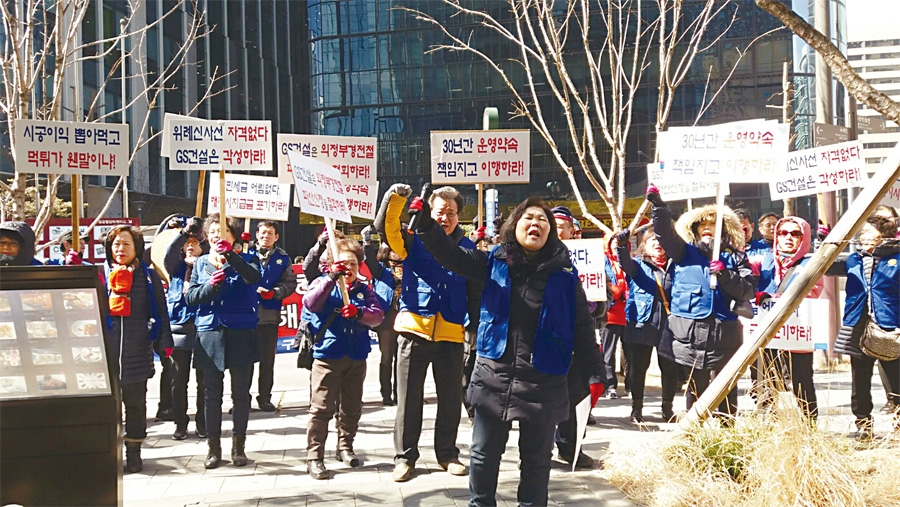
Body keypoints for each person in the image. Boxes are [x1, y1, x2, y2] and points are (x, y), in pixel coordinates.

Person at [410, 195, 606, 506]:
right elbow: (450, 256)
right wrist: (426, 225)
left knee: (537, 461)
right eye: (529, 218)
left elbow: (582, 327)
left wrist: (597, 371)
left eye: (543, 220)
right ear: (514, 226)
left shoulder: (566, 275)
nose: (536, 224)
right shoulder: (492, 262)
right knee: (483, 455)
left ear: (550, 231)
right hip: (494, 377)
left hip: (544, 379)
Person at [375, 184, 482, 483]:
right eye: (439, 212)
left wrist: (474, 329)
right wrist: (396, 199)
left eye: (451, 213)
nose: (445, 218)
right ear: (428, 214)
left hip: (451, 331)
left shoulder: (469, 248)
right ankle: (405, 458)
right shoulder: (412, 240)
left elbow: (475, 291)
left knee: (450, 399)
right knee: (409, 399)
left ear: (459, 216)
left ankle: (447, 454)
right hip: (413, 328)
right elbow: (388, 229)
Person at [646, 185, 756, 416]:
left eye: (712, 225)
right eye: (702, 225)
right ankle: (695, 433)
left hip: (724, 331)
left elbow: (747, 291)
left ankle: (727, 432)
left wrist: (725, 274)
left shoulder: (736, 257)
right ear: (694, 230)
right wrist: (659, 207)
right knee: (695, 387)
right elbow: (664, 233)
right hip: (690, 331)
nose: (707, 228)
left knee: (726, 385)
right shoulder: (683, 252)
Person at [302, 237, 384, 479]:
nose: (348, 268)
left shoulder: (363, 289)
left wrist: (360, 313)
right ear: (330, 264)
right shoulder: (320, 283)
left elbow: (377, 315)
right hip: (328, 356)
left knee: (351, 407)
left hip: (356, 356)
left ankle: (345, 447)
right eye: (342, 263)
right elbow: (311, 303)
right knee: (321, 409)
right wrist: (330, 279)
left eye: (353, 264)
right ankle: (314, 457)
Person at [186, 214, 262, 469]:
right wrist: (209, 286)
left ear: (234, 235)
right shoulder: (200, 264)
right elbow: (192, 297)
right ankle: (213, 447)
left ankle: (239, 447)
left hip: (241, 331)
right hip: (210, 332)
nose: (218, 234)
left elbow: (253, 278)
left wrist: (231, 256)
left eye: (224, 230)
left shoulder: (247, 258)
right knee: (211, 394)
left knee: (241, 394)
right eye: (214, 230)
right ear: (207, 236)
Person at [101, 225, 174, 473]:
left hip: (137, 354)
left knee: (136, 407)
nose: (120, 249)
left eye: (126, 244)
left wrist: (165, 345)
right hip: (105, 357)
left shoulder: (149, 276)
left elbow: (161, 313)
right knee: (108, 409)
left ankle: (134, 453)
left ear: (137, 248)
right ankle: (109, 454)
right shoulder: (100, 275)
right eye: (116, 244)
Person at [828, 216, 900, 438]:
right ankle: (863, 423)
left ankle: (898, 421)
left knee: (895, 377)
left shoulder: (897, 258)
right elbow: (826, 266)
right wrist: (827, 241)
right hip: (857, 325)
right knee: (859, 378)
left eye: (871, 232)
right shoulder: (853, 259)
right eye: (862, 233)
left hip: (889, 324)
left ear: (884, 235)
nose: (864, 237)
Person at [754, 216, 824, 420]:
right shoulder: (765, 259)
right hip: (769, 330)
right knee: (767, 380)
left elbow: (814, 291)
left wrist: (777, 298)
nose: (788, 237)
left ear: (804, 237)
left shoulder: (811, 262)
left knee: (802, 381)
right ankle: (766, 423)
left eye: (795, 233)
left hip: (798, 330)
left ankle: (808, 425)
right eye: (783, 233)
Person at [550, 205, 602, 468]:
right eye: (553, 227)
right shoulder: (537, 258)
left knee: (578, 393)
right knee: (545, 397)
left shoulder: (590, 258)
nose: (558, 233)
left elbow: (603, 298)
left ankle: (572, 448)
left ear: (573, 232)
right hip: (548, 339)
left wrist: (596, 302)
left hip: (578, 338)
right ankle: (539, 449)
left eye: (562, 228)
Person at [615, 226, 681, 423]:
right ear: (645, 244)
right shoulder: (637, 263)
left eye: (661, 240)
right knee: (637, 368)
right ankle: (637, 408)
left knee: (669, 368)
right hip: (641, 323)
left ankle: (667, 408)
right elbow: (624, 263)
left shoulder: (676, 264)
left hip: (669, 324)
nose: (658, 244)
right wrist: (622, 246)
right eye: (653, 240)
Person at [163, 216, 208, 440]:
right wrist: (183, 233)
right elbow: (168, 254)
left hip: (202, 326)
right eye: (187, 244)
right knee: (178, 380)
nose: (191, 247)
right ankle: (180, 422)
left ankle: (203, 422)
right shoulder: (175, 267)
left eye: (195, 243)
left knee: (204, 380)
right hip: (179, 326)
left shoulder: (208, 266)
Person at [252, 220, 297, 412]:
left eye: (270, 233)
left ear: (276, 237)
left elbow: (291, 283)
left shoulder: (282, 258)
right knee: (242, 361)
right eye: (262, 233)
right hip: (245, 315)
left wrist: (276, 292)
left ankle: (265, 397)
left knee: (267, 360)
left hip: (269, 315)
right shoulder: (245, 254)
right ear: (256, 234)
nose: (265, 236)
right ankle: (241, 398)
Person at [362, 226, 402, 406]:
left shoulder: (411, 266)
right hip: (387, 318)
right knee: (387, 357)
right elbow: (369, 260)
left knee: (404, 358)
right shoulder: (382, 270)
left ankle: (402, 392)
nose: (397, 254)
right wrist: (367, 242)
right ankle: (386, 393)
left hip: (406, 317)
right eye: (393, 250)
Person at [601, 232, 629, 399]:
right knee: (608, 352)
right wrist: (617, 289)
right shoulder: (602, 261)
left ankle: (631, 384)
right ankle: (610, 385)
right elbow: (602, 282)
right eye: (612, 242)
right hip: (610, 312)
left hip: (629, 313)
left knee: (631, 353)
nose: (615, 245)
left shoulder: (629, 260)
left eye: (618, 242)